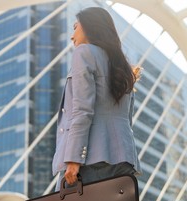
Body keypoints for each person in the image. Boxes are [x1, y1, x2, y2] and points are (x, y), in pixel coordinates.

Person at [52, 7, 141, 190]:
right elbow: (127, 120)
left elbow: (83, 110)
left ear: (88, 27)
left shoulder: (84, 53)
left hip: (90, 159)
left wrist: (74, 158)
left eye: (75, 27)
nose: (72, 35)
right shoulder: (124, 67)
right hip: (123, 161)